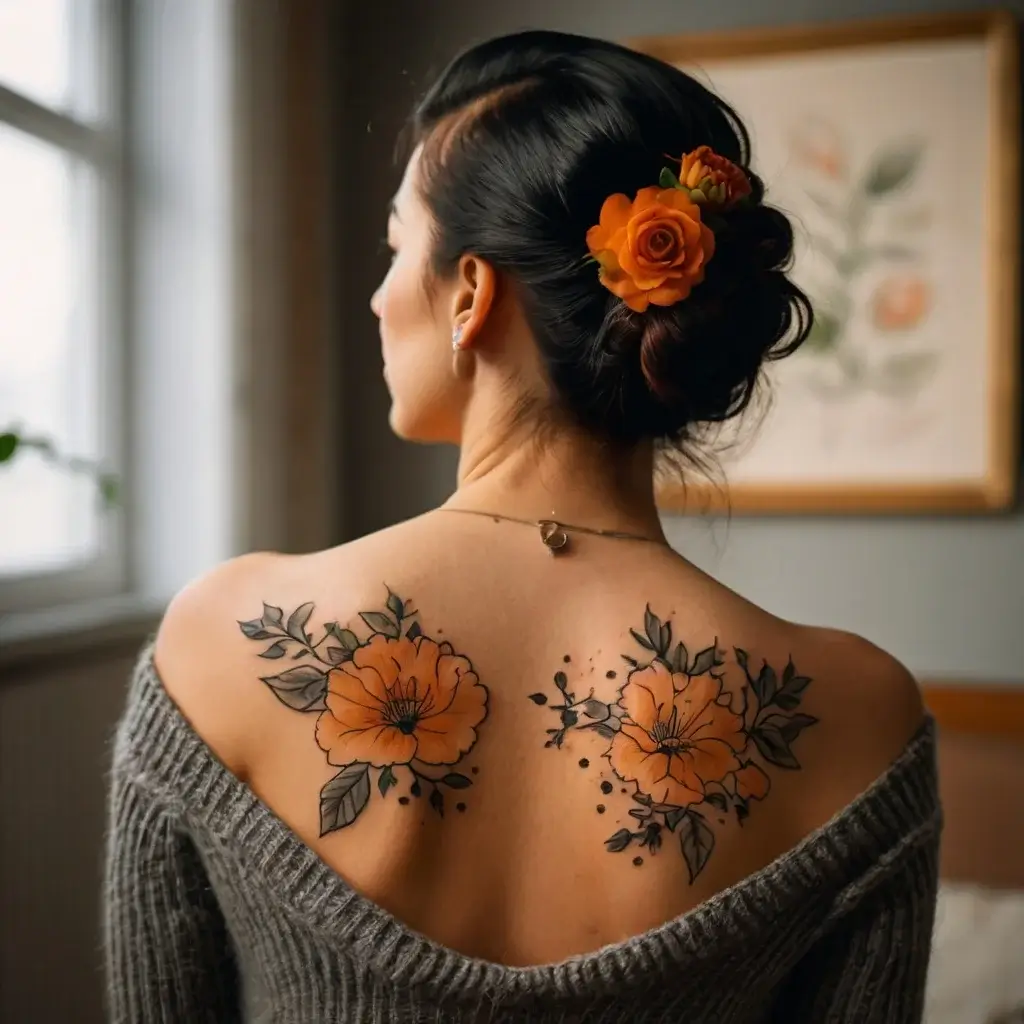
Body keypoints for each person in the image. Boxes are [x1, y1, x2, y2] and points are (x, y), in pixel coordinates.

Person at [104, 28, 940, 1023]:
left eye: (394, 247)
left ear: (469, 294)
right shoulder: (862, 718)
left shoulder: (220, 636)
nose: (377, 297)